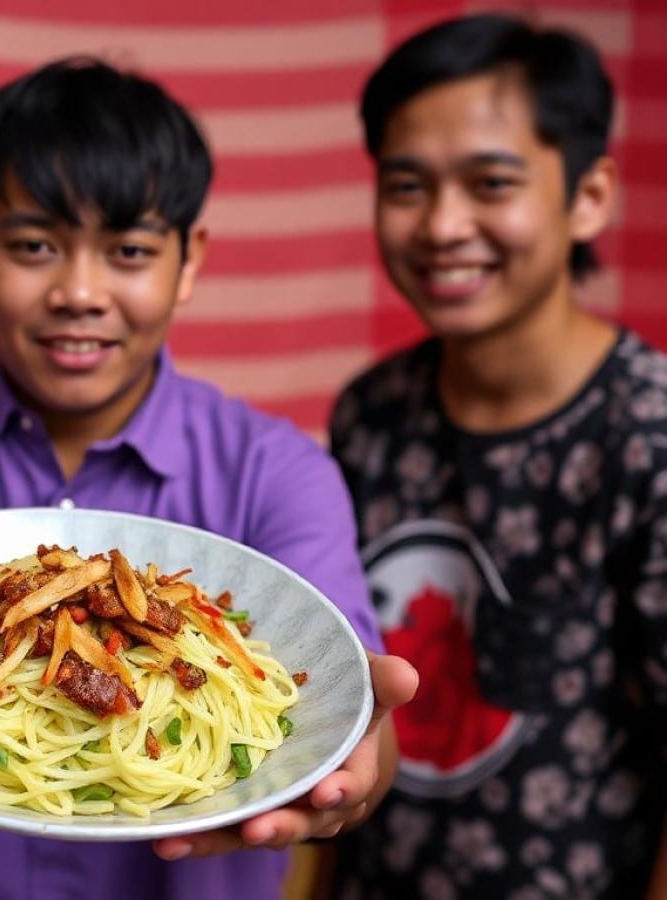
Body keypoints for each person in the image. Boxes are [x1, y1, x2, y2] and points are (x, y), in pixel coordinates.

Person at [0, 57, 418, 900]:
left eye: (128, 251)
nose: (80, 292)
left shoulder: (280, 470)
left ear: (189, 261)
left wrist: (354, 762)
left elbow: (352, 719)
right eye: (34, 246)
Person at [327, 13, 667, 900]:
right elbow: (334, 700)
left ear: (588, 195)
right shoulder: (371, 413)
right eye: (407, 186)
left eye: (491, 183)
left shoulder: (649, 432)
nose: (443, 225)